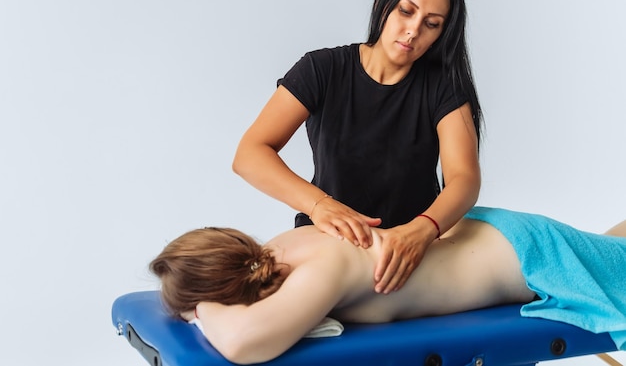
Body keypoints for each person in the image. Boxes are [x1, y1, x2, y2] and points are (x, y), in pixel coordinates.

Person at [231, 0, 483, 294]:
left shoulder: (443, 89)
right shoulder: (321, 69)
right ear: (383, 5)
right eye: (406, 11)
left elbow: (464, 178)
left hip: (408, 252)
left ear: (440, 34)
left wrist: (422, 231)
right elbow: (249, 154)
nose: (413, 30)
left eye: (431, 24)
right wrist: (318, 206)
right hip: (327, 240)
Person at [150, 206, 626, 365]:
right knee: (608, 250)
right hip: (491, 236)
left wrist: (197, 309)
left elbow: (240, 343)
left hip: (527, 256)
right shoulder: (278, 249)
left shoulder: (319, 269)